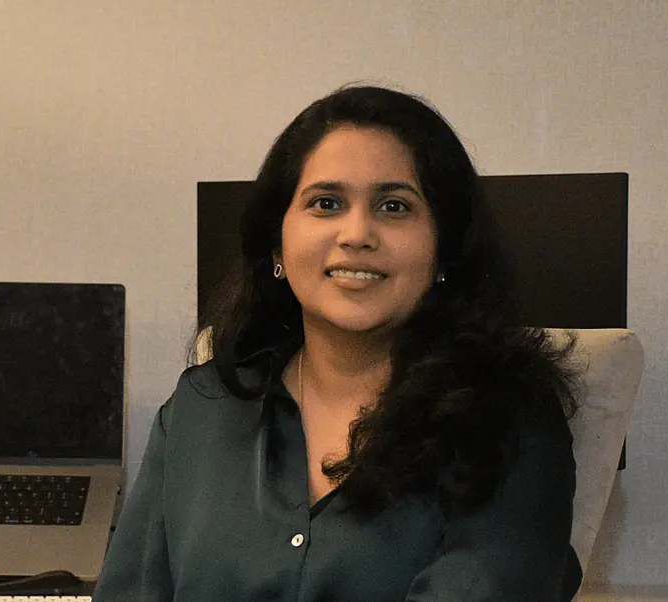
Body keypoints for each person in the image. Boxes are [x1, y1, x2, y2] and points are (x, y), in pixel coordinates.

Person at [93, 84, 583, 601]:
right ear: (277, 244)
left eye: (394, 207)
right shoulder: (201, 409)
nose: (357, 233)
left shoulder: (507, 422)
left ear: (444, 250)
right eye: (326, 203)